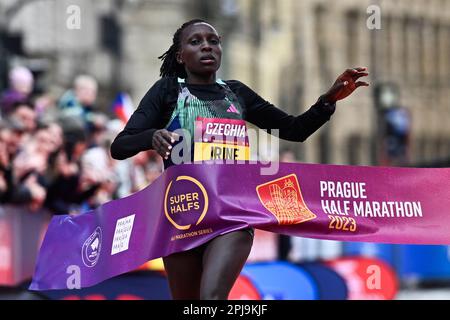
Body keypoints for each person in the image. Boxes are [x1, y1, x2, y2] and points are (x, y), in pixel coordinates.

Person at [110, 19, 369, 300]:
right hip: (181, 215)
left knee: (211, 298)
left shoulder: (236, 93)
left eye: (213, 40)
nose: (207, 46)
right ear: (180, 55)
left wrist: (327, 101)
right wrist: (152, 136)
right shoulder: (168, 91)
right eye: (195, 42)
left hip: (231, 215)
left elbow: (295, 130)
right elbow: (120, 146)